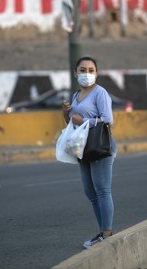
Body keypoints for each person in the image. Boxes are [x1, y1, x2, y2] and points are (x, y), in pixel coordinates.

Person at [62, 56, 117, 249]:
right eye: (83, 70)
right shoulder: (76, 95)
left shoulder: (100, 93)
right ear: (75, 73)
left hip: (100, 145)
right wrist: (66, 113)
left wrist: (84, 121)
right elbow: (72, 122)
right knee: (90, 192)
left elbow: (108, 120)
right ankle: (102, 231)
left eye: (91, 70)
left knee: (102, 189)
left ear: (97, 73)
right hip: (83, 147)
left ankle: (106, 233)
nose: (87, 74)